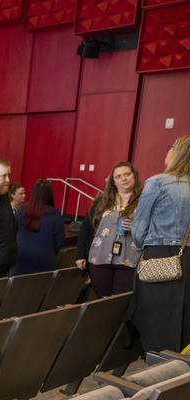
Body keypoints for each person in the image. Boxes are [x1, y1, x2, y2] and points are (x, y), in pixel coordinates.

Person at [127, 137, 190, 354]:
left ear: (178, 152)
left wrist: (139, 248)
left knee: (157, 318)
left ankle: (157, 370)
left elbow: (139, 227)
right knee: (183, 318)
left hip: (160, 254)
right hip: (187, 258)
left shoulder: (159, 181)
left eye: (170, 147)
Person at [75, 162, 141, 297]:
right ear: (113, 182)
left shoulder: (144, 201)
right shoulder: (102, 201)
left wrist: (136, 227)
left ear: (134, 177)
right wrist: (80, 255)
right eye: (118, 176)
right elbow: (86, 228)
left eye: (127, 174)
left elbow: (153, 228)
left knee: (119, 302)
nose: (123, 178)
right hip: (100, 259)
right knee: (102, 300)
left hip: (129, 261)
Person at [13, 179, 66, 275]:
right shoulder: (54, 213)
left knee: (19, 287)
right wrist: (49, 251)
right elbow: (60, 239)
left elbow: (14, 232)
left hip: (21, 258)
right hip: (45, 258)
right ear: (49, 194)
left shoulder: (20, 210)